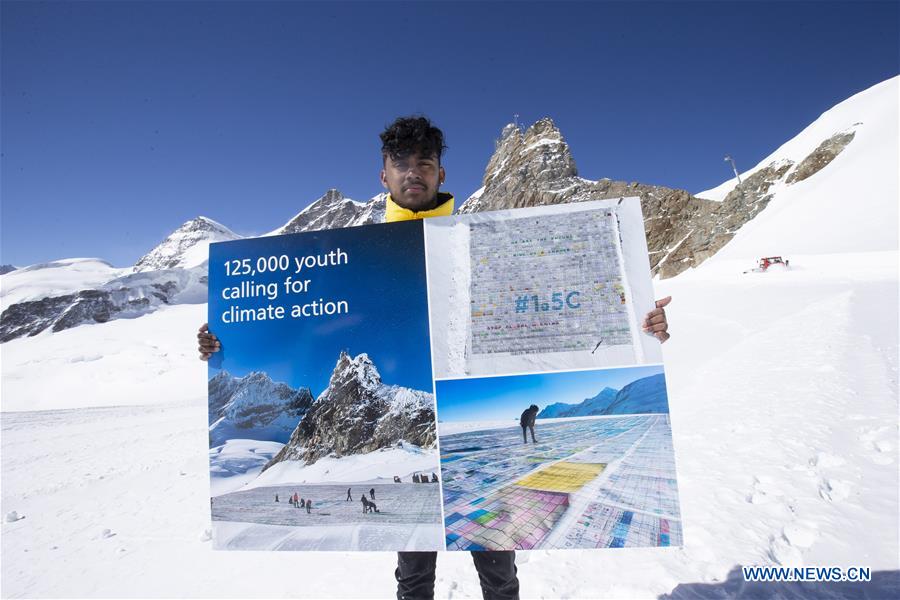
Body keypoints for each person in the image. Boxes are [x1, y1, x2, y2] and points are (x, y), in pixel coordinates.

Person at [197, 116, 672, 600]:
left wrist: (638, 324)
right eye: (400, 164)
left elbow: (556, 307)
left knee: (499, 571)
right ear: (383, 176)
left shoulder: (486, 239)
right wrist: (223, 345)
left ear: (441, 173)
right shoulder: (348, 255)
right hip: (428, 441)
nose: (413, 173)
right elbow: (289, 314)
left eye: (424, 162)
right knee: (414, 576)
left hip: (454, 403)